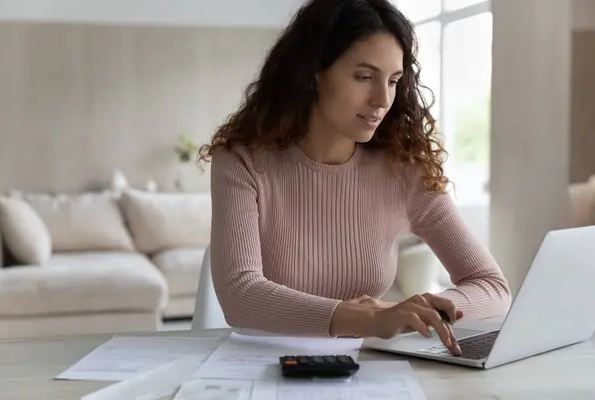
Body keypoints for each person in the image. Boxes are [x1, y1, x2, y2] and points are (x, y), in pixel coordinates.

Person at [197, 0, 511, 356]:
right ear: (313, 72)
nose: (382, 99)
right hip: (261, 367)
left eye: (393, 81)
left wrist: (424, 307)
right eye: (364, 77)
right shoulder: (242, 161)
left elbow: (492, 286)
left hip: (362, 369)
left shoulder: (404, 170)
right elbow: (242, 295)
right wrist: (367, 318)